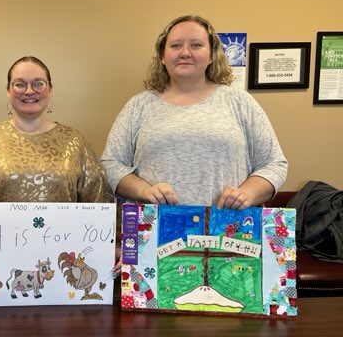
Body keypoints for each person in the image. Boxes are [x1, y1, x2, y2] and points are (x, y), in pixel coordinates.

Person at [0, 56, 114, 271]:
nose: (29, 91)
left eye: (38, 83)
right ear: (8, 90)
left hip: (62, 263)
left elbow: (98, 201)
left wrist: (111, 243)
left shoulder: (74, 142)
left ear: (50, 89)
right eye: (20, 84)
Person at [102, 15, 288, 212]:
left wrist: (247, 193)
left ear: (211, 56)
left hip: (226, 230)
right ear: (162, 57)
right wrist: (143, 190)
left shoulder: (240, 102)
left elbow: (274, 164)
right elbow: (110, 164)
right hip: (154, 230)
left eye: (196, 45)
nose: (185, 52)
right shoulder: (138, 106)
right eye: (175, 46)